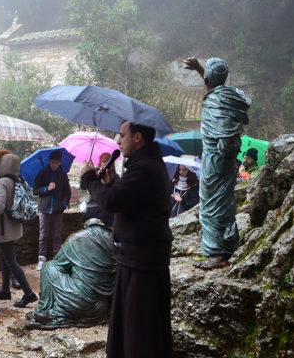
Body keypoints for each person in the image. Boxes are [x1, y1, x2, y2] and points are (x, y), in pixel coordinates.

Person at [80, 121, 173, 358]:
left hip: (141, 260)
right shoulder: (146, 165)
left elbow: (112, 203)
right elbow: (129, 199)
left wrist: (89, 179)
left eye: (122, 136)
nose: (119, 141)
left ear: (138, 137)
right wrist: (112, 183)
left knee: (139, 325)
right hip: (138, 256)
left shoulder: (145, 168)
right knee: (133, 322)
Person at [184, 57, 251, 270]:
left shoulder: (215, 100)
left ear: (210, 78)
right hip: (229, 159)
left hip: (216, 158)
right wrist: (199, 70)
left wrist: (222, 153)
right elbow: (214, 87)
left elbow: (222, 132)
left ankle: (216, 254)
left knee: (211, 206)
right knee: (226, 201)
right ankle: (229, 244)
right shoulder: (230, 97)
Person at [26, 218, 116, 329]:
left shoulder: (75, 239)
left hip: (76, 303)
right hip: (100, 307)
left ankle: (44, 308)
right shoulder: (114, 240)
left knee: (48, 266)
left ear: (86, 227)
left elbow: (58, 263)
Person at [0, 150, 38, 308]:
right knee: (5, 258)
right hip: (14, 225)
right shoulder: (17, 179)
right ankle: (5, 290)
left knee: (11, 261)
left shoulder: (2, 182)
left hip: (3, 228)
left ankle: (29, 293)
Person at [32, 150, 71, 270]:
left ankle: (57, 259)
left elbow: (67, 192)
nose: (54, 165)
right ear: (49, 161)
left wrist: (64, 204)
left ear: (60, 162)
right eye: (52, 162)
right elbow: (35, 190)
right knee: (43, 234)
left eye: (57, 162)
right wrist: (46, 188)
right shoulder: (42, 173)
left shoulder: (63, 175)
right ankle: (41, 258)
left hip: (58, 210)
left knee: (56, 235)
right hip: (44, 209)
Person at [80, 152, 119, 226]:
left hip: (107, 212)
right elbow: (83, 186)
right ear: (100, 163)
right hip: (94, 209)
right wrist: (87, 175)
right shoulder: (94, 173)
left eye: (108, 162)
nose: (105, 164)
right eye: (103, 162)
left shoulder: (115, 175)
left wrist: (109, 181)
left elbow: (114, 194)